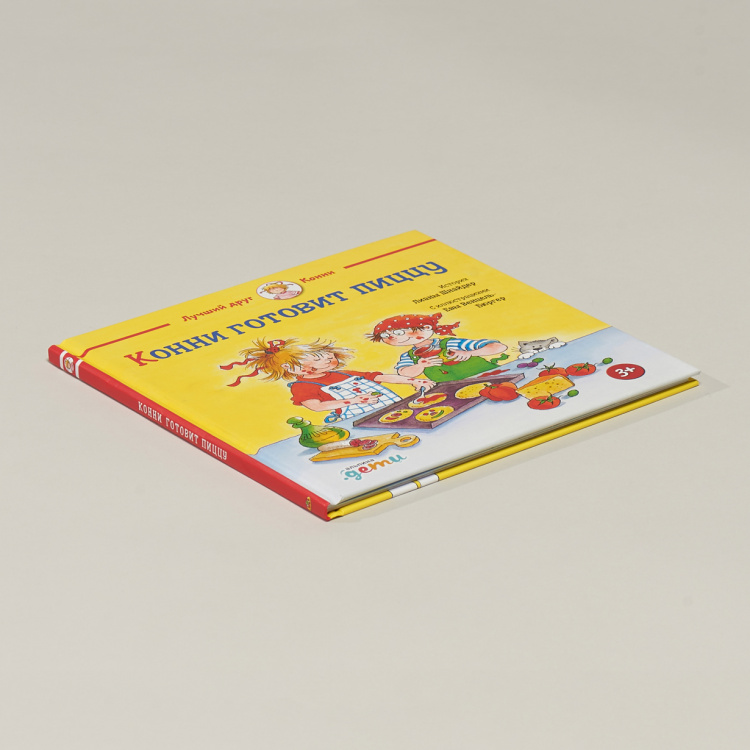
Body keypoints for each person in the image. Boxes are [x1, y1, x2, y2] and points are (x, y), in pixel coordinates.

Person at [220, 338, 432, 422]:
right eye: (318, 358)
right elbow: (316, 407)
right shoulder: (302, 386)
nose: (329, 360)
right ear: (290, 367)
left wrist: (413, 381)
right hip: (362, 420)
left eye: (328, 356)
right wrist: (353, 401)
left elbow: (379, 377)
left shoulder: (345, 373)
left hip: (395, 410)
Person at [367, 312, 508, 382]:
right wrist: (420, 366)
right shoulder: (409, 356)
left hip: (488, 377)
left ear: (426, 328)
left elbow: (499, 347)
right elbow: (404, 373)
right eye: (385, 335)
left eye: (398, 333)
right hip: (452, 387)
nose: (392, 338)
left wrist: (471, 353)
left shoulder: (450, 343)